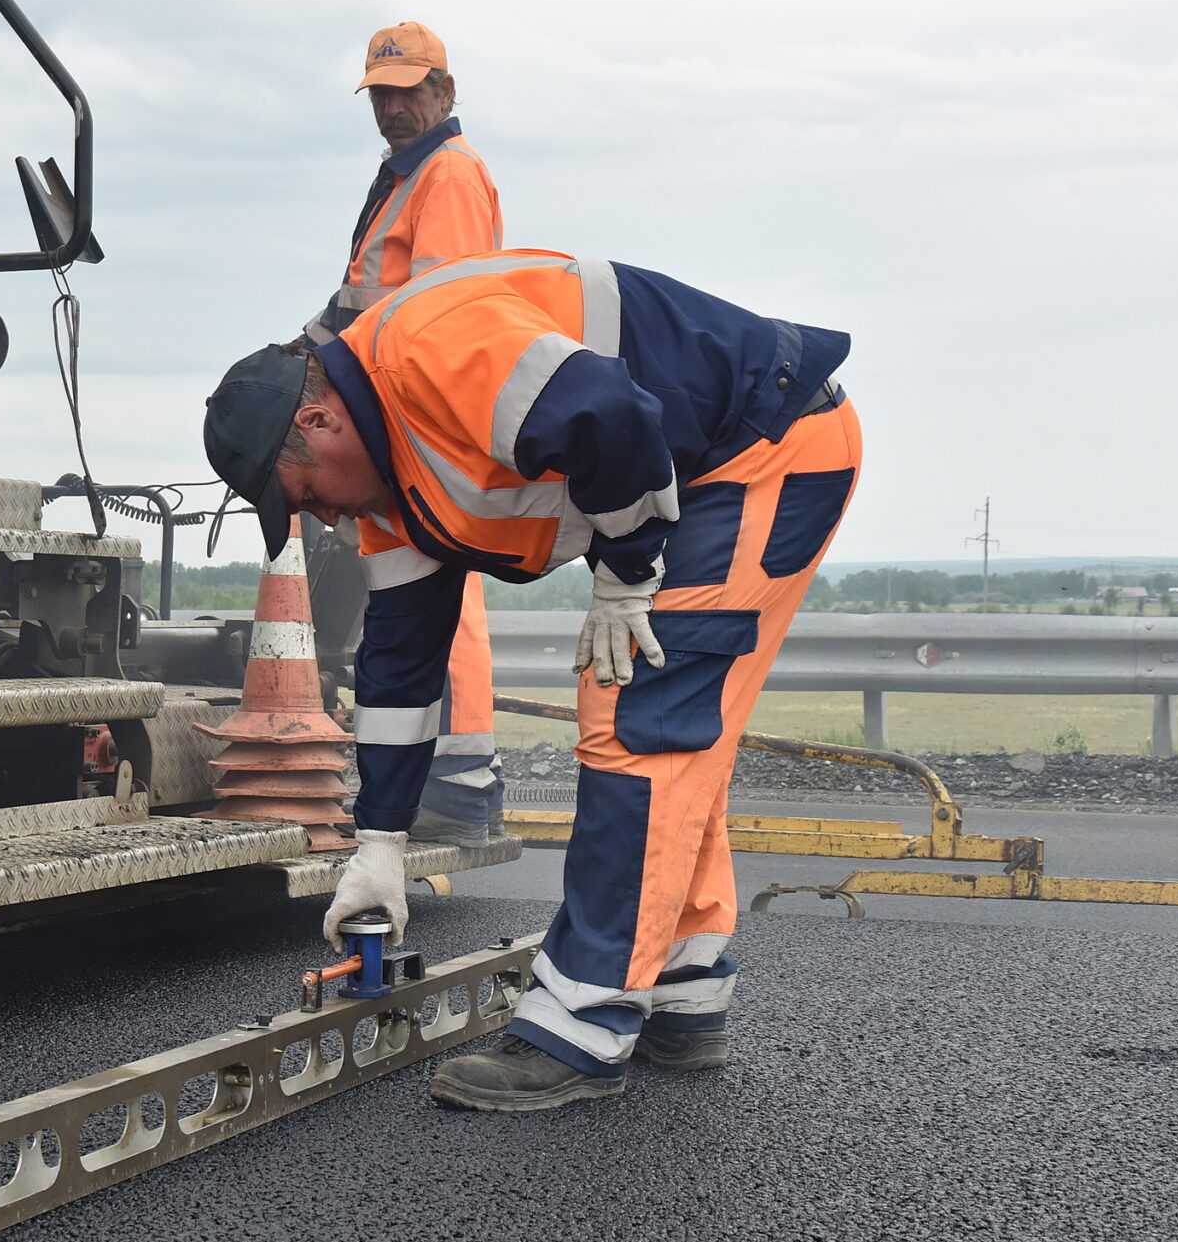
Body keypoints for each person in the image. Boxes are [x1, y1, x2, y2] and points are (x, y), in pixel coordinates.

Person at [203, 250, 859, 1112]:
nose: (319, 517)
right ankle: (683, 979)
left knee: (642, 720)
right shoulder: (390, 493)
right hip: (702, 472)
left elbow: (614, 413)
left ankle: (586, 1015)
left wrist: (626, 575)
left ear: (323, 420)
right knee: (674, 731)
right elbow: (401, 664)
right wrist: (381, 842)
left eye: (305, 495)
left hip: (762, 445)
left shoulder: (433, 353)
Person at [311, 23, 507, 847]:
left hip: (420, 419)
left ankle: (458, 780)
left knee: (436, 593)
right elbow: (365, 300)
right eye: (382, 93)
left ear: (446, 91)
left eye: (409, 90)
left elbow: (437, 318)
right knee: (414, 592)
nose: (394, 106)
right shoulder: (407, 176)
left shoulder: (449, 176)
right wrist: (307, 355)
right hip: (394, 414)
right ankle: (440, 776)